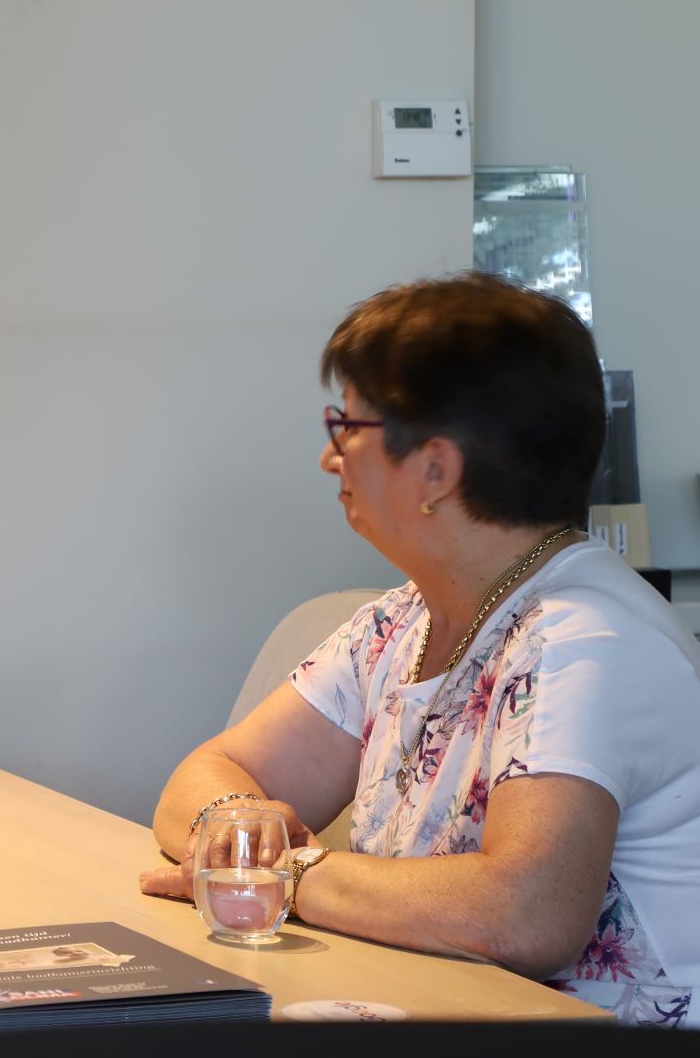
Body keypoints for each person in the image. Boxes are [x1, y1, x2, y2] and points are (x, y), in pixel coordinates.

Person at [140, 273, 700, 1027]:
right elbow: (200, 779)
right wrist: (243, 820)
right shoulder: (403, 618)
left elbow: (525, 912)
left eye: (347, 428)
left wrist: (287, 870)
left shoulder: (584, 640)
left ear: (436, 468)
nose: (328, 457)